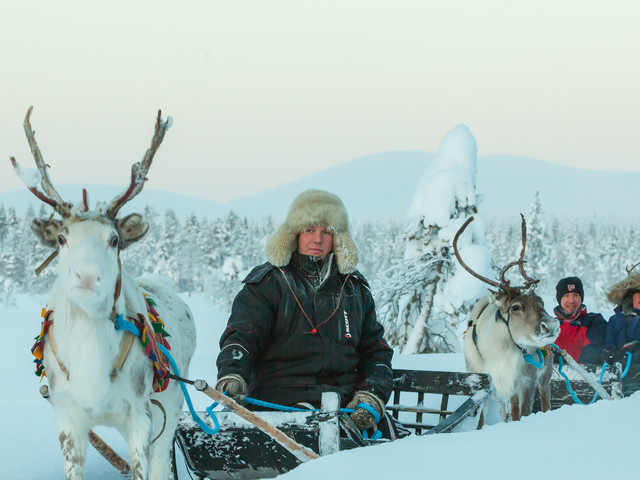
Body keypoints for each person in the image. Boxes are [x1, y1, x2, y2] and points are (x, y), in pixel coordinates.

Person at [215, 189, 396, 437]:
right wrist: (232, 374)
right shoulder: (268, 283)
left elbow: (376, 351)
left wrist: (372, 395)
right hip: (281, 401)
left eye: (327, 232)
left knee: (393, 440)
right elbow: (242, 336)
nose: (317, 240)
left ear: (338, 239)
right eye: (309, 230)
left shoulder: (354, 289)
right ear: (294, 235)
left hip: (346, 406)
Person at [552, 277, 606, 364]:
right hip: (554, 376)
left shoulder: (594, 321)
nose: (572, 301)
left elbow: (594, 351)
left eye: (576, 295)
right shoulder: (550, 325)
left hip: (586, 376)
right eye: (566, 296)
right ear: (559, 299)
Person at [604, 274, 640, 363]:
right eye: (637, 292)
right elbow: (608, 350)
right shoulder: (615, 321)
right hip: (623, 370)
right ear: (630, 296)